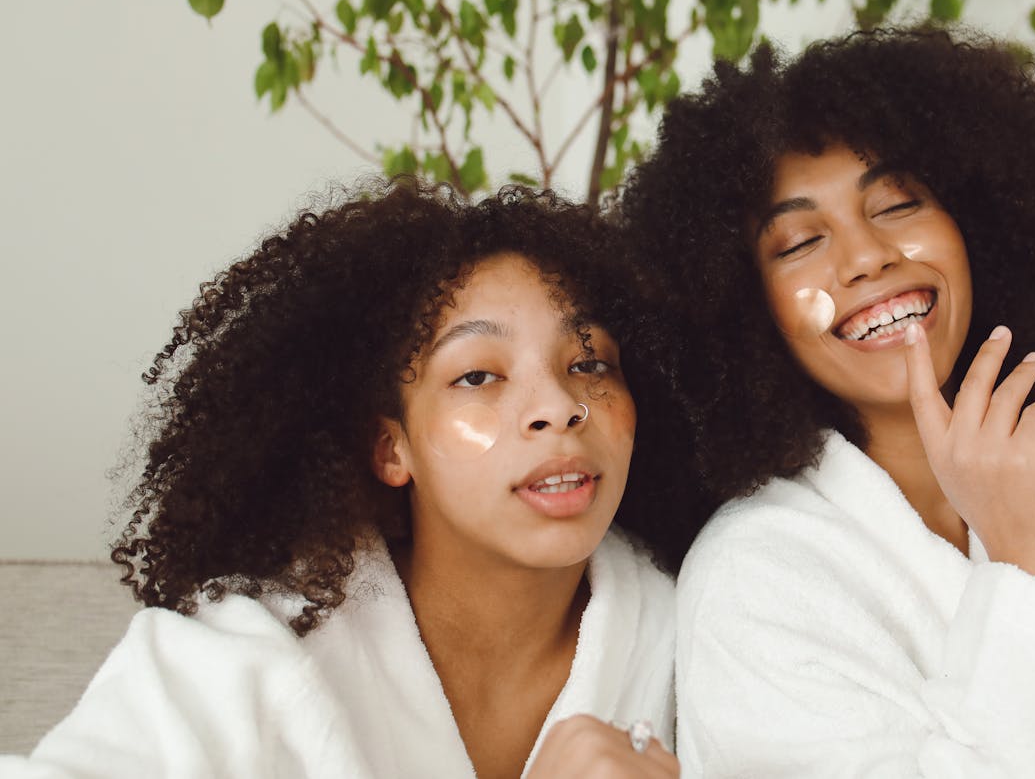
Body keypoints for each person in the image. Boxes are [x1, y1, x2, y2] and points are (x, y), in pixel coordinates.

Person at [618, 27, 1035, 777]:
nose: (866, 255)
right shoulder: (754, 584)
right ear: (744, 309)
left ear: (977, 229)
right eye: (800, 242)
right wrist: (1030, 565)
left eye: (898, 203)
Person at [1, 181, 689, 778]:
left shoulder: (690, 636)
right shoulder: (243, 660)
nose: (560, 407)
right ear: (391, 448)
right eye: (478, 375)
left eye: (590, 362)